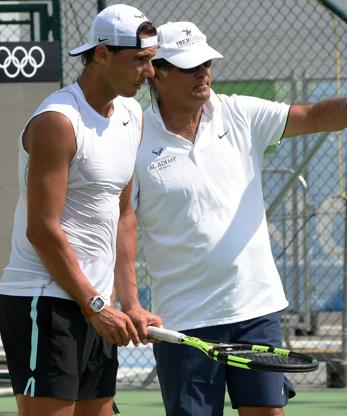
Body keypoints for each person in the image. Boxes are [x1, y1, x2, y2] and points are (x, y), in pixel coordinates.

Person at [132, 21, 347, 416]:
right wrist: (126, 300)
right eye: (190, 65)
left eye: (207, 62)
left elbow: (316, 115)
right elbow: (121, 227)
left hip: (255, 310)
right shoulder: (134, 137)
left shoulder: (240, 112)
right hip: (183, 321)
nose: (204, 72)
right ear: (156, 73)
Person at [0, 4, 162, 416]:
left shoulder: (131, 114)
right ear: (103, 54)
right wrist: (95, 305)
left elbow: (124, 214)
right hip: (46, 301)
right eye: (140, 61)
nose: (150, 72)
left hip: (96, 305)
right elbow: (42, 229)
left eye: (152, 60)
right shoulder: (58, 121)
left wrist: (129, 302)